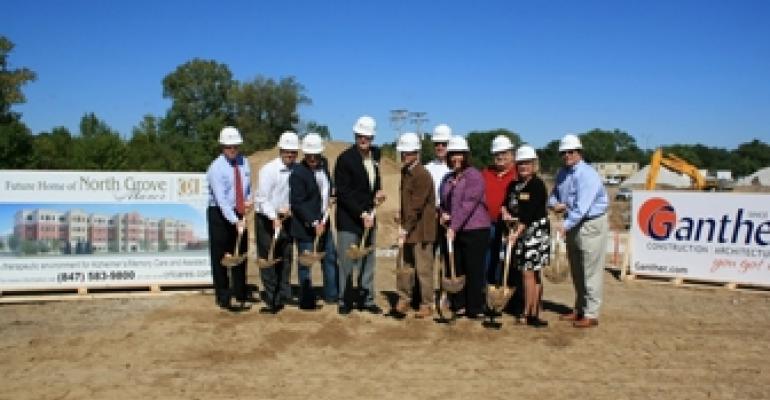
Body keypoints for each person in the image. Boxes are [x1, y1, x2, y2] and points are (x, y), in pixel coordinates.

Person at [548, 134, 609, 328]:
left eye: (571, 152)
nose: (567, 155)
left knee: (590, 269)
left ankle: (591, 313)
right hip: (573, 223)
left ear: (579, 153)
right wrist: (555, 204)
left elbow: (582, 207)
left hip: (590, 223)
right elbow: (553, 195)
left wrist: (565, 225)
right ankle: (580, 308)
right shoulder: (562, 173)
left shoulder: (587, 174)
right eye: (564, 152)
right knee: (577, 269)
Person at [334, 115, 386, 315]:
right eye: (360, 136)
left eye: (368, 137)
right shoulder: (345, 159)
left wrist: (378, 192)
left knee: (368, 261)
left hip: (369, 217)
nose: (364, 139)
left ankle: (367, 298)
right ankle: (345, 299)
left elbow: (374, 181)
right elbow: (344, 193)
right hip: (349, 219)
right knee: (347, 261)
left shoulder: (376, 155)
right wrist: (361, 213)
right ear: (355, 135)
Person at [439, 136, 491, 319]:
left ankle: (475, 307)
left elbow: (468, 205)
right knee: (457, 268)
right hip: (455, 229)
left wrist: (453, 226)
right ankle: (459, 305)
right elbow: (445, 202)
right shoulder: (447, 178)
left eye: (459, 154)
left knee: (474, 269)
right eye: (453, 154)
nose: (456, 158)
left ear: (466, 155)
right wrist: (443, 214)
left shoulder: (474, 176)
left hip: (475, 229)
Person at [502, 145, 550, 328]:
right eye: (521, 163)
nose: (523, 166)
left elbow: (528, 214)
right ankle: (532, 310)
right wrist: (505, 212)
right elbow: (506, 203)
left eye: (527, 163)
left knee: (529, 273)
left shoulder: (536, 185)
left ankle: (530, 312)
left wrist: (516, 233)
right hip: (519, 232)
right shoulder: (514, 185)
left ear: (534, 164)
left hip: (535, 232)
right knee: (527, 273)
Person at [206, 126, 252, 311]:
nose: (232, 150)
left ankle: (240, 292)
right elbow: (222, 200)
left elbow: (248, 187)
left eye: (235, 146)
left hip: (239, 211)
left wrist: (248, 202)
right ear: (222, 147)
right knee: (222, 257)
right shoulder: (215, 168)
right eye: (228, 147)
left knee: (240, 254)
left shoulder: (244, 162)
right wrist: (235, 221)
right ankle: (223, 296)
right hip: (219, 213)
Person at [255, 131, 299, 314]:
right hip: (266, 219)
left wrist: (288, 211)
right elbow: (262, 198)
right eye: (287, 151)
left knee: (286, 257)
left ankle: (283, 293)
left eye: (293, 152)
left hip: (285, 218)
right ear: (280, 150)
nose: (290, 155)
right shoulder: (269, 170)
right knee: (269, 257)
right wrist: (273, 217)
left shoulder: (297, 169)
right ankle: (272, 299)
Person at [394, 132, 436, 319]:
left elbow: (417, 206)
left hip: (422, 230)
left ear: (417, 153)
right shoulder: (405, 172)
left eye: (408, 152)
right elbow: (406, 202)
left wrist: (405, 228)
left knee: (423, 269)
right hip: (409, 227)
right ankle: (404, 298)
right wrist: (400, 216)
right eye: (403, 152)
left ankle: (427, 303)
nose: (405, 155)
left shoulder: (422, 175)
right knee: (406, 266)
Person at [481, 135, 520, 316]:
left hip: (510, 227)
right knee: (488, 262)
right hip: (488, 224)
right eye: (497, 153)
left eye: (504, 153)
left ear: (512, 154)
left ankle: (507, 300)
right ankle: (488, 297)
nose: (500, 157)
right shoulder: (486, 173)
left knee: (506, 264)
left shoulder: (518, 174)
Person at [289, 133, 328, 310]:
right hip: (305, 225)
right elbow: (297, 203)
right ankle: (306, 300)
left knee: (330, 258)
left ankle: (332, 295)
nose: (313, 158)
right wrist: (313, 222)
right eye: (309, 155)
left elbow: (327, 187)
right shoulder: (297, 173)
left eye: (316, 155)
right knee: (305, 263)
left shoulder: (324, 165)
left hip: (324, 222)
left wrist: (332, 195)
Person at [425, 124, 452, 309]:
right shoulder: (427, 168)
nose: (440, 147)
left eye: (444, 143)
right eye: (437, 144)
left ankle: (445, 294)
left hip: (449, 219)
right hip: (430, 218)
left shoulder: (456, 168)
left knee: (446, 259)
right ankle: (426, 296)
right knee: (427, 259)